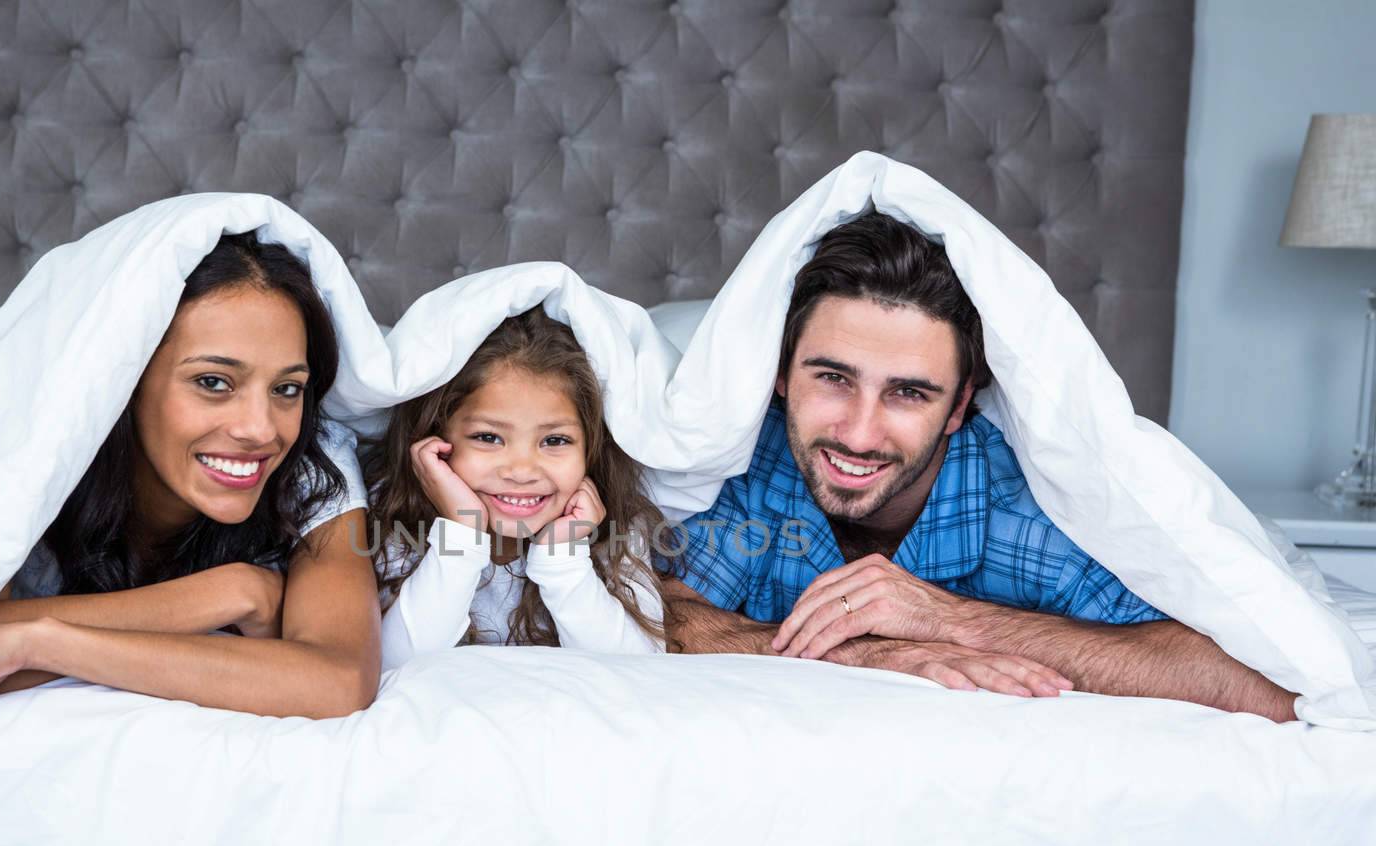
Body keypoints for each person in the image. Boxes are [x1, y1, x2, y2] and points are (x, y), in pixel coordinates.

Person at [663, 211, 1297, 721]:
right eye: (832, 378)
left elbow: (1264, 683)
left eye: (909, 393)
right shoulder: (746, 456)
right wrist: (867, 653)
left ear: (961, 404)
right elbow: (655, 609)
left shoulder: (1035, 508)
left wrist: (948, 619)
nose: (858, 433)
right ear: (779, 374)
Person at [0, 231, 382, 762]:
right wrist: (232, 592)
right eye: (214, 382)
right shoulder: (29, 453)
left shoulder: (313, 465)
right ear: (122, 379)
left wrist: (39, 642)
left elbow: (337, 681)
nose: (261, 430)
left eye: (286, 389)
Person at [366, 305, 667, 667]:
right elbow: (390, 664)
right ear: (435, 440)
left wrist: (563, 557)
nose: (522, 471)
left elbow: (642, 668)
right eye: (489, 437)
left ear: (590, 450)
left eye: (555, 441)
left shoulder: (615, 523)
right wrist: (461, 533)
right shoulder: (393, 513)